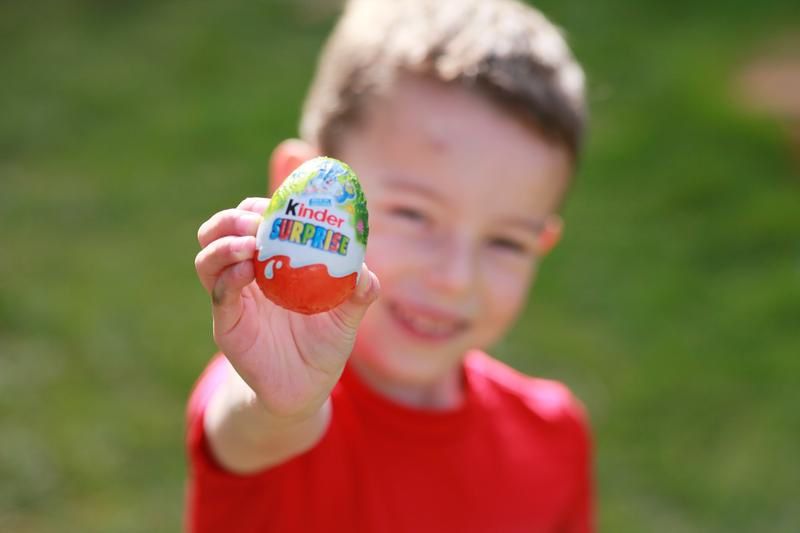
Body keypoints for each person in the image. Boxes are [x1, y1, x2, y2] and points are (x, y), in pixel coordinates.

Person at [188, 0, 591, 531]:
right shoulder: (277, 391)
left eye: (506, 242)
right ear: (299, 187)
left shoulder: (553, 437)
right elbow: (253, 427)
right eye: (414, 214)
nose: (455, 277)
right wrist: (281, 407)